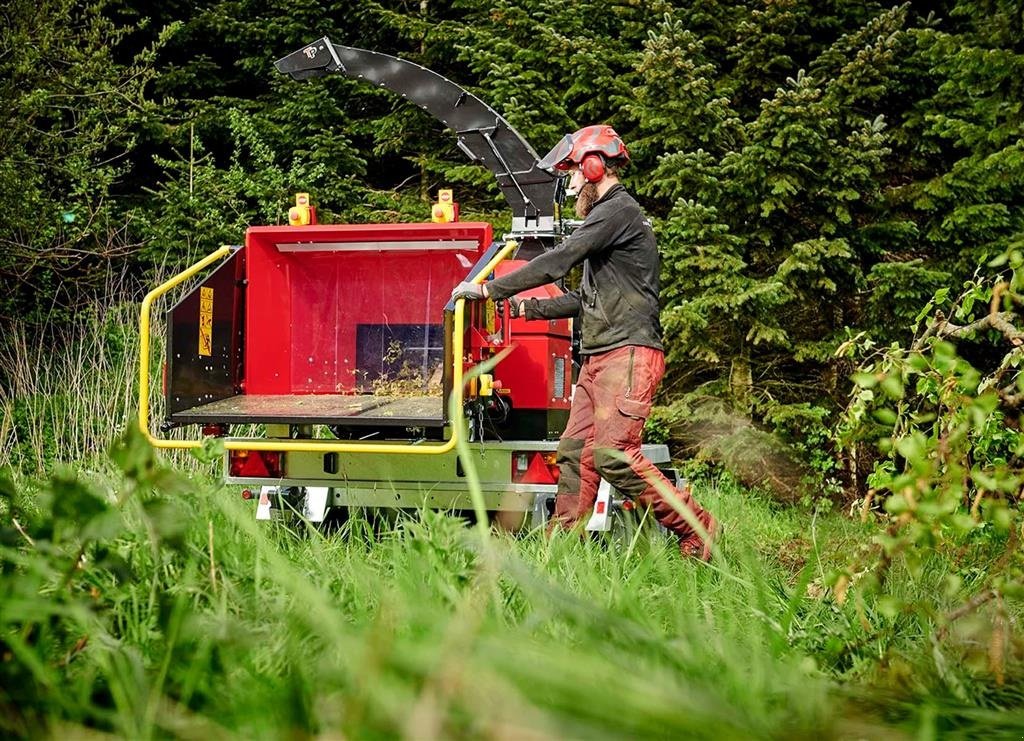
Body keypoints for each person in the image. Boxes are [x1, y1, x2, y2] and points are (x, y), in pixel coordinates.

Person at [451, 125, 718, 560]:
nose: (572, 184)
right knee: (575, 453)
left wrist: (490, 289)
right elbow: (587, 298)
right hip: (600, 359)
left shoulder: (617, 211)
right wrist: (527, 311)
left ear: (594, 167)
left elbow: (559, 260)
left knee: (614, 455)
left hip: (627, 354)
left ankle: (698, 529)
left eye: (573, 173)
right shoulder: (613, 220)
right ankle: (562, 549)